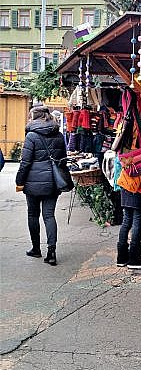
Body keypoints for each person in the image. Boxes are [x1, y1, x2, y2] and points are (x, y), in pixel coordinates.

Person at [16, 106, 67, 266]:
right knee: (49, 216)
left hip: (32, 183)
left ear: (34, 118)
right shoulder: (59, 135)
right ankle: (51, 252)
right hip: (52, 182)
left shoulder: (31, 135)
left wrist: (19, 182)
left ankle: (36, 249)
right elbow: (63, 160)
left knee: (33, 215)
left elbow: (25, 163)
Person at [117, 187, 141, 269]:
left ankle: (122, 258)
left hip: (126, 188)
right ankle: (134, 259)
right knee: (137, 222)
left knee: (126, 221)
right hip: (138, 190)